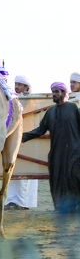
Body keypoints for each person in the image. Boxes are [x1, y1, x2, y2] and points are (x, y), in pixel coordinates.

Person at [21, 82, 80, 213]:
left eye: (57, 91)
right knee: (57, 180)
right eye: (53, 91)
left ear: (65, 93)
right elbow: (40, 130)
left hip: (74, 152)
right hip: (57, 153)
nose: (54, 94)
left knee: (74, 178)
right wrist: (21, 137)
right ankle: (61, 207)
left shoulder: (74, 109)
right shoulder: (50, 112)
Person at [5, 75, 37, 209]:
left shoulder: (33, 100)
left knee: (27, 173)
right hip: (13, 139)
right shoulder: (10, 99)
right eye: (16, 84)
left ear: (26, 87)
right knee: (11, 170)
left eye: (20, 84)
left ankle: (23, 203)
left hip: (27, 140)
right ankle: (11, 201)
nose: (17, 87)